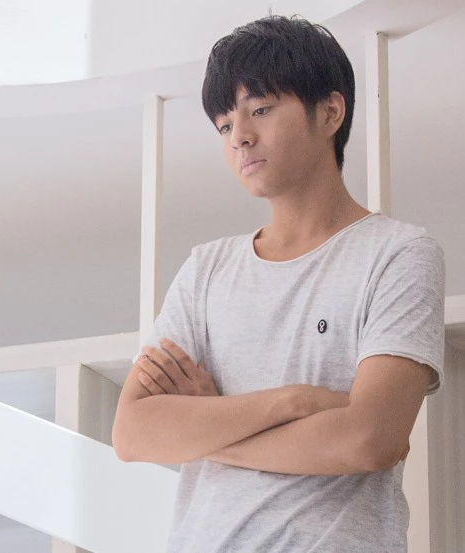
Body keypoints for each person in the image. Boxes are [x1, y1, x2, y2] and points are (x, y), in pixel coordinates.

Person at [111, 15, 446, 553]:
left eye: (260, 109)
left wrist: (208, 425)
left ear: (330, 112)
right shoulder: (206, 270)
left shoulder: (398, 254)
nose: (240, 137)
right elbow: (133, 434)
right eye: (224, 125)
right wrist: (293, 402)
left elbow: (369, 439)